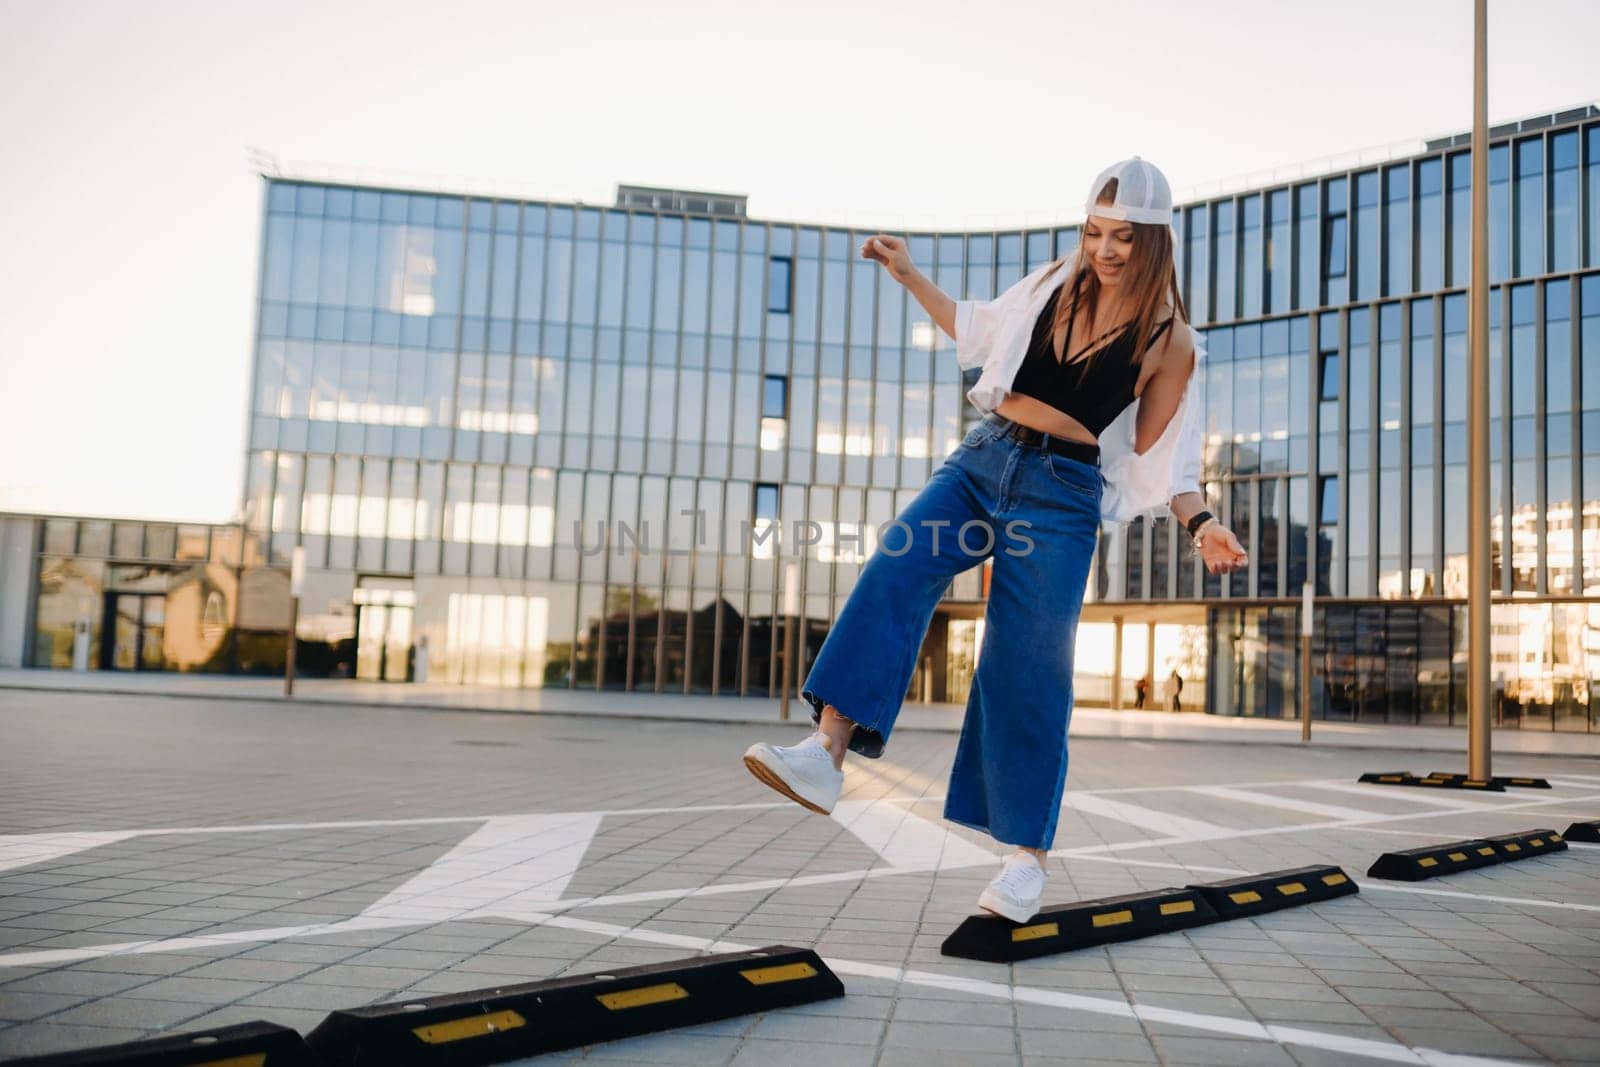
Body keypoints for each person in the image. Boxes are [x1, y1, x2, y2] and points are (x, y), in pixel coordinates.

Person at [742, 159, 1246, 924]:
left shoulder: (1170, 340)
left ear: (1154, 242)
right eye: (1096, 231)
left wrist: (1202, 524)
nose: (1105, 249)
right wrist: (911, 275)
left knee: (1028, 664)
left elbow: (1162, 455)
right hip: (985, 459)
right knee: (899, 563)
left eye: (1123, 237)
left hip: (1062, 496)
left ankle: (1025, 859)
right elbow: (977, 330)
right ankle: (826, 752)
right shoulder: (1056, 282)